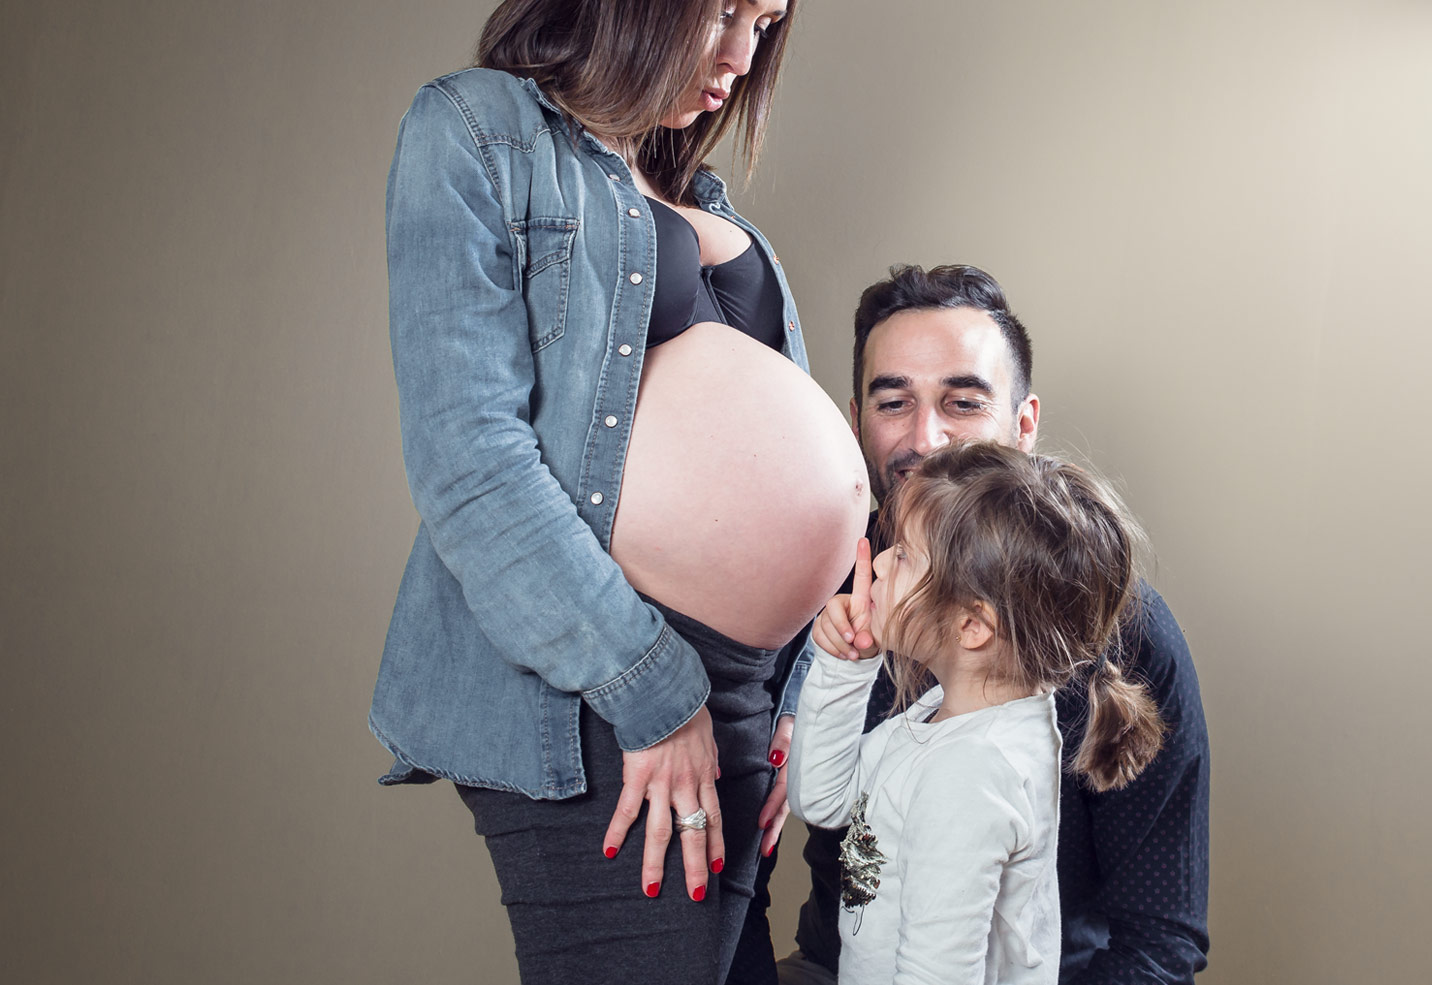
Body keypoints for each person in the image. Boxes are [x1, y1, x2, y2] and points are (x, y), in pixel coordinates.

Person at [367, 1, 868, 982]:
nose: (741, 55)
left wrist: (798, 700)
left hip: (747, 706)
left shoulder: (714, 209)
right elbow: (468, 462)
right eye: (725, 10)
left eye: (765, 23)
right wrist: (654, 693)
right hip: (604, 690)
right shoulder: (479, 130)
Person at [767, 265, 1212, 984]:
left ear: (1024, 424)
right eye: (894, 402)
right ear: (856, 424)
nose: (927, 437)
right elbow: (819, 799)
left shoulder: (1118, 640)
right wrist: (842, 665)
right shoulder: (845, 594)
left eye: (963, 401)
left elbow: (1158, 943)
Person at [789, 441, 1167, 985]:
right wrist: (847, 664)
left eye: (904, 555)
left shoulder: (971, 772)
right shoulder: (946, 715)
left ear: (972, 626)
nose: (879, 559)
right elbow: (822, 800)